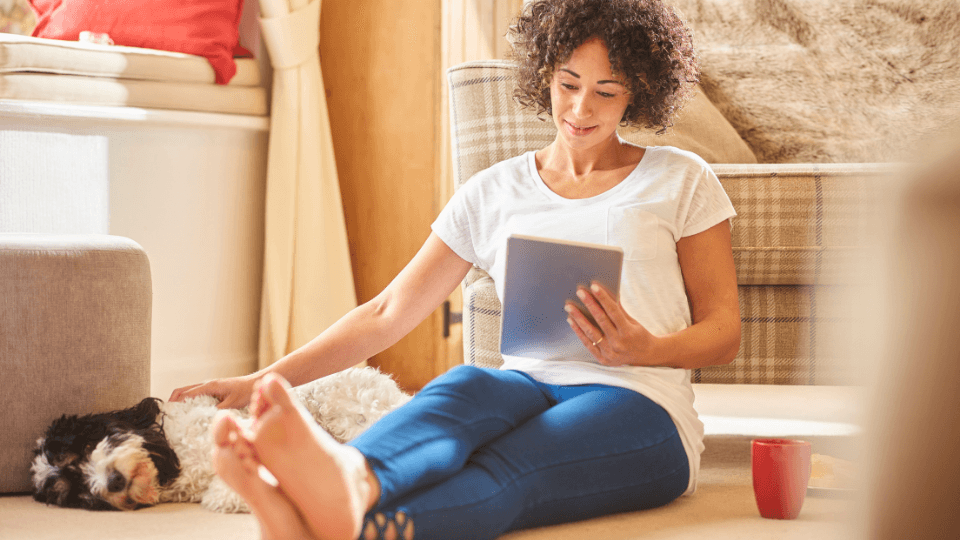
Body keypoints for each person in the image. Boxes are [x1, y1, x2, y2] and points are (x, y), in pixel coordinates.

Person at [170, 1, 741, 538]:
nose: (580, 109)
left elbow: (723, 331)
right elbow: (386, 312)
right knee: (465, 386)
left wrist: (647, 348)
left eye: (606, 92)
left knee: (512, 463)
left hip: (640, 403)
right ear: (545, 73)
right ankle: (349, 482)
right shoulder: (493, 191)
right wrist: (259, 381)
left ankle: (345, 527)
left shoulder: (680, 179)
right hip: (527, 385)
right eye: (568, 84)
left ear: (637, 92)